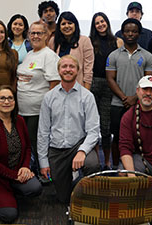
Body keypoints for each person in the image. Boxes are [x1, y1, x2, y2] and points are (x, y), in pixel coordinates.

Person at [37, 55, 101, 204]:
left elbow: (93, 131)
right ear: (58, 71)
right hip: (57, 149)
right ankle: (74, 181)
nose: (68, 70)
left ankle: (87, 196)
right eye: (64, 66)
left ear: (78, 70)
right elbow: (43, 132)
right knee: (63, 199)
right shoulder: (49, 97)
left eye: (71, 66)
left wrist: (82, 151)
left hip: (78, 145)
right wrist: (43, 162)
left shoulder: (87, 96)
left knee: (92, 164)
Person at [0, 86, 42, 223]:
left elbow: (28, 147)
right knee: (9, 215)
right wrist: (15, 176)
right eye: (2, 98)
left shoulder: (19, 121)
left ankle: (9, 192)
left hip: (15, 172)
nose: (6, 102)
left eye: (10, 98)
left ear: (15, 101)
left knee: (36, 188)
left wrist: (25, 167)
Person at [105, 18, 152, 170]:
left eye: (134, 31)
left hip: (140, 104)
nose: (130, 34)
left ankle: (139, 167)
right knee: (118, 137)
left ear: (139, 34)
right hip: (117, 103)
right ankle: (115, 167)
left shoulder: (147, 56)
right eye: (127, 31)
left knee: (140, 136)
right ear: (122, 33)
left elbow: (148, 81)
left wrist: (135, 98)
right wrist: (124, 97)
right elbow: (110, 78)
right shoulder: (113, 55)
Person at [17, 21, 61, 179]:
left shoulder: (49, 56)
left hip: (38, 111)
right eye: (32, 33)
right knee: (29, 144)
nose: (35, 36)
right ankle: (36, 171)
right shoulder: (30, 54)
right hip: (24, 110)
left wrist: (48, 111)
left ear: (47, 36)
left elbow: (54, 85)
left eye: (39, 33)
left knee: (38, 145)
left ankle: (47, 176)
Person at [89, 12, 123, 170]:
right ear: (94, 26)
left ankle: (107, 162)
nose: (100, 25)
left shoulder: (118, 41)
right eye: (97, 23)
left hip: (111, 85)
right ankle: (95, 159)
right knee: (92, 124)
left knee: (106, 126)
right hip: (94, 84)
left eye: (102, 21)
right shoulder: (89, 42)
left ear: (107, 22)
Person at [48, 11, 94, 90]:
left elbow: (88, 69)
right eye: (63, 24)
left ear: (75, 25)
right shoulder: (53, 41)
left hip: (78, 87)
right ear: (59, 27)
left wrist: (86, 92)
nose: (67, 26)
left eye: (70, 23)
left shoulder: (84, 41)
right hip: (57, 88)